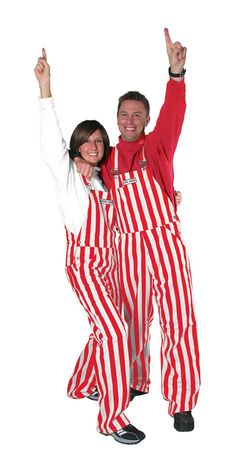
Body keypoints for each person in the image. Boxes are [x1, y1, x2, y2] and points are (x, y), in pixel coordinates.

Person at [74, 28, 201, 432]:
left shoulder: (157, 144)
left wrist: (176, 75)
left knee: (178, 317)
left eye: (137, 115)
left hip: (163, 239)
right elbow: (77, 170)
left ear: (146, 120)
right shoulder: (105, 158)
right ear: (116, 120)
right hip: (125, 245)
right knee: (130, 318)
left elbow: (174, 113)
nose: (129, 121)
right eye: (123, 115)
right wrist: (78, 163)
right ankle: (134, 380)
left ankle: (181, 401)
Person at [34, 49, 145, 444]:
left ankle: (82, 384)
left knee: (109, 328)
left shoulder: (104, 180)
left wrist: (173, 195)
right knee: (116, 331)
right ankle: (111, 418)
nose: (95, 144)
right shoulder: (71, 178)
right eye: (88, 141)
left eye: (100, 140)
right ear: (78, 146)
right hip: (85, 266)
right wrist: (46, 88)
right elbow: (51, 146)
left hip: (112, 266)